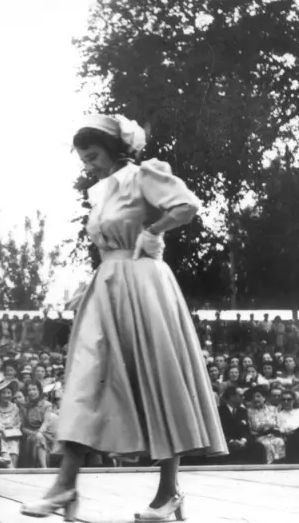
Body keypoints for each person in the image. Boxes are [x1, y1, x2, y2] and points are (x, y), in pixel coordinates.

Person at [20, 115, 226, 521]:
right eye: (83, 159)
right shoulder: (101, 192)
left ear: (115, 150)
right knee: (86, 381)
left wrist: (154, 232)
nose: (88, 165)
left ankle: (169, 494)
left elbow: (186, 205)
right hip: (107, 288)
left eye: (93, 156)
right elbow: (109, 242)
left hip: (145, 285)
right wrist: (90, 280)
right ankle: (65, 487)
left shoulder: (143, 175)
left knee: (158, 380)